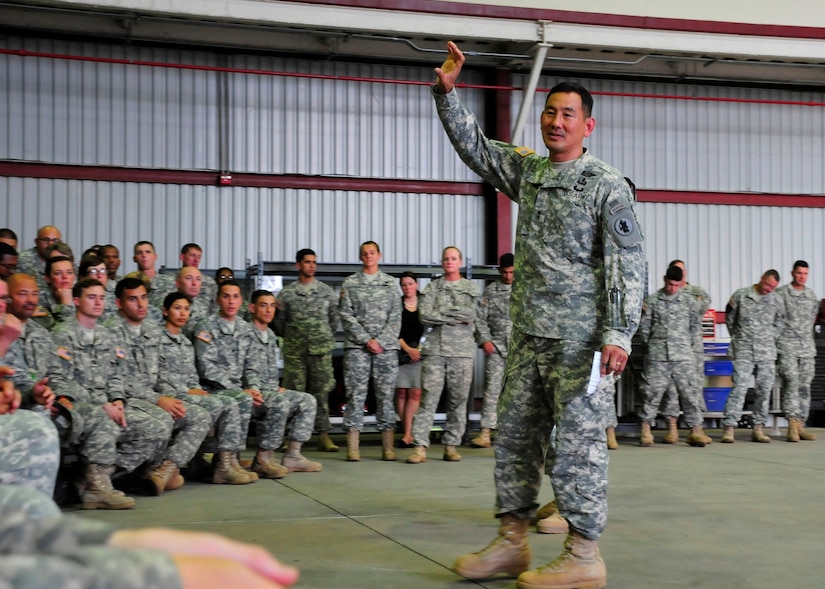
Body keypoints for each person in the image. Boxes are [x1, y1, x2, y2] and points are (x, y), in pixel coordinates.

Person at [435, 42, 645, 589]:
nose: (555, 121)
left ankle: (583, 555)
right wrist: (447, 94)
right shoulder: (529, 172)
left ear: (588, 125)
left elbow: (628, 265)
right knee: (514, 442)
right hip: (528, 337)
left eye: (566, 114)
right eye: (549, 112)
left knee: (577, 449)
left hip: (581, 345)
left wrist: (619, 332)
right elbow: (478, 150)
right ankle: (512, 542)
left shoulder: (606, 185)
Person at [4, 272, 133, 508]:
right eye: (22, 294)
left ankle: (90, 483)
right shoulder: (56, 333)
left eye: (34, 294)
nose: (30, 299)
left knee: (120, 421)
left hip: (45, 402)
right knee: (97, 418)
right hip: (19, 408)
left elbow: (50, 375)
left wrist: (44, 394)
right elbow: (51, 379)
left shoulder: (41, 334)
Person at [49, 278, 172, 508]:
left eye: (101, 297)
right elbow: (59, 381)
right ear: (76, 301)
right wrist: (102, 403)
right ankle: (96, 488)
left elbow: (117, 374)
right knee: (103, 420)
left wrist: (117, 400)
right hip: (77, 406)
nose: (98, 302)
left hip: (108, 404)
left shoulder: (107, 335)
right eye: (91, 297)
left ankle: (92, 477)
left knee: (157, 427)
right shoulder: (62, 334)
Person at [194, 280, 321, 479]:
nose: (231, 301)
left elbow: (251, 365)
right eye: (226, 296)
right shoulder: (206, 327)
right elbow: (205, 367)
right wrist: (240, 390)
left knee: (290, 400)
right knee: (248, 399)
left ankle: (268, 458)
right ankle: (227, 463)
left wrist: (253, 387)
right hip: (214, 390)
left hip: (243, 390)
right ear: (218, 300)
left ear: (241, 301)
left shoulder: (245, 329)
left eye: (235, 297)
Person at [105, 277, 211, 494]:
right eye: (133, 299)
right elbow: (118, 379)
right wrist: (158, 400)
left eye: (144, 298)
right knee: (162, 420)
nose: (141, 304)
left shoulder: (152, 331)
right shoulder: (110, 332)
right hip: (123, 399)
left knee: (200, 416)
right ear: (119, 304)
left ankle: (164, 470)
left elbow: (160, 373)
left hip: (151, 396)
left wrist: (168, 397)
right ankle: (108, 472)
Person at [158, 292, 255, 484]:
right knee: (228, 404)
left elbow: (192, 375)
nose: (182, 313)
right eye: (177, 308)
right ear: (165, 311)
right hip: (169, 395)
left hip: (187, 392)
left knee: (228, 402)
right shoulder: (156, 338)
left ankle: (225, 462)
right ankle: (222, 466)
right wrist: (187, 391)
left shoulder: (185, 342)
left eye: (186, 309)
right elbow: (158, 376)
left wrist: (195, 388)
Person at [406, 246, 480, 464]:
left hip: (462, 352)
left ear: (459, 262)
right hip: (435, 351)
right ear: (442, 262)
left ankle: (451, 445)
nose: (450, 262)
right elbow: (424, 315)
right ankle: (420, 447)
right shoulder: (433, 287)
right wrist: (454, 317)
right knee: (428, 399)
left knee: (458, 401)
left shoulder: (470, 288)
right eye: (446, 259)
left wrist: (443, 315)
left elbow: (473, 313)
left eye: (454, 258)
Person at [338, 241, 401, 461]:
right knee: (355, 395)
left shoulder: (391, 283)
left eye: (372, 253)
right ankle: (353, 446)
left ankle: (388, 446)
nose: (369, 256)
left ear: (379, 255)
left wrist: (381, 341)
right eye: (365, 254)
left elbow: (396, 316)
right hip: (358, 348)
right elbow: (346, 315)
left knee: (385, 395)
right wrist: (366, 340)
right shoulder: (350, 283)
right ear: (360, 257)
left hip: (386, 348)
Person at [247, 289, 321, 472]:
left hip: (268, 390)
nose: (268, 310)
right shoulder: (244, 333)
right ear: (252, 308)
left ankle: (293, 456)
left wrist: (274, 387)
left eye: (272, 306)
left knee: (307, 400)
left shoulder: (271, 336)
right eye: (263, 305)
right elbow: (243, 368)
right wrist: (253, 388)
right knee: (279, 402)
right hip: (249, 391)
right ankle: (263, 458)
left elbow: (270, 369)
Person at [273, 249, 340, 452]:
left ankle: (323, 435)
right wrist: (296, 339)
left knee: (322, 394)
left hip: (321, 351)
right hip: (296, 353)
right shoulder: (287, 294)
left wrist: (320, 336)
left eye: (314, 262)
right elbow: (279, 324)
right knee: (294, 395)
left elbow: (333, 320)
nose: (311, 265)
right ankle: (290, 438)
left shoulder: (326, 292)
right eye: (307, 262)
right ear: (298, 265)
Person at [637, 265, 711, 447]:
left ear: (681, 283)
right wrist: (653, 345)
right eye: (670, 284)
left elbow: (695, 327)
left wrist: (688, 346)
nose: (672, 288)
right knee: (651, 393)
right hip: (658, 355)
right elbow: (644, 328)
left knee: (690, 393)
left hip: (683, 355)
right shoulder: (652, 301)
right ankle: (646, 430)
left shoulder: (689, 301)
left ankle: (695, 430)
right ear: (664, 280)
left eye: (676, 285)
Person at [721, 270, 784, 443]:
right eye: (768, 285)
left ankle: (758, 427)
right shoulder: (741, 295)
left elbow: (780, 322)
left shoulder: (776, 300)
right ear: (761, 279)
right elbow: (730, 319)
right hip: (744, 351)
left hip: (766, 353)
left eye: (773, 287)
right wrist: (739, 337)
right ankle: (729, 427)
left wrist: (770, 337)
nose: (769, 289)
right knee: (739, 389)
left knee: (764, 390)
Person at [658, 260, 713, 436]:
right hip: (669, 350)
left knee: (693, 387)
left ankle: (695, 427)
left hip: (692, 349)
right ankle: (672, 424)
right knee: (671, 389)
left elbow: (697, 319)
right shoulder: (662, 296)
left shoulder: (696, 293)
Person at [471, 252, 514, 448]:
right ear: (499, 271)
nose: (508, 276)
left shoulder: (525, 290)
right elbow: (479, 318)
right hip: (496, 347)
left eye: (512, 272)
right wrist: (485, 340)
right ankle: (486, 432)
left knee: (519, 393)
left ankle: (512, 435)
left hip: (519, 350)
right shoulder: (491, 291)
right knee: (493, 390)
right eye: (505, 272)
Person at [775, 260, 819, 442]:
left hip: (807, 348)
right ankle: (792, 424)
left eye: (805, 274)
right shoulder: (781, 294)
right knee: (791, 382)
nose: (802, 276)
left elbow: (812, 320)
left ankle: (801, 424)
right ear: (792, 273)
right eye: (799, 273)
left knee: (805, 385)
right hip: (787, 347)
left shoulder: (811, 296)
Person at [396, 271, 424, 447]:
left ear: (417, 285)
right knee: (401, 392)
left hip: (421, 353)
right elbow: (393, 329)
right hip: (401, 352)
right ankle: (407, 431)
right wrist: (407, 349)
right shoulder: (397, 304)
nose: (407, 287)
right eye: (404, 284)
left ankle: (409, 433)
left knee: (416, 392)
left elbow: (430, 328)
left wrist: (418, 350)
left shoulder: (426, 302)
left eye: (410, 283)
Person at [126, 241, 177, 309]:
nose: (144, 255)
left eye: (148, 252)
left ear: (155, 257)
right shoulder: (128, 282)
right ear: (134, 259)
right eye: (139, 253)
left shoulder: (170, 282)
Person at [31, 255, 75, 331]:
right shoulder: (38, 300)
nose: (65, 277)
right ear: (48, 278)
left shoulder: (82, 297)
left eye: (69, 272)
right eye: (58, 273)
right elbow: (56, 334)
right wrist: (66, 305)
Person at [17, 225, 61, 293]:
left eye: (55, 240)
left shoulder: (64, 259)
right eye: (46, 240)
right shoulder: (23, 259)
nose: (50, 244)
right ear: (36, 241)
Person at [175, 266, 215, 338]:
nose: (194, 283)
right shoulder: (170, 305)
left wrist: (209, 340)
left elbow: (206, 336)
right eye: (189, 278)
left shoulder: (203, 307)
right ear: (178, 283)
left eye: (198, 279)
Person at [79, 253, 119, 321]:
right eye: (93, 271)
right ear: (82, 277)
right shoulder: (76, 299)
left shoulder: (116, 296)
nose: (99, 275)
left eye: (103, 271)